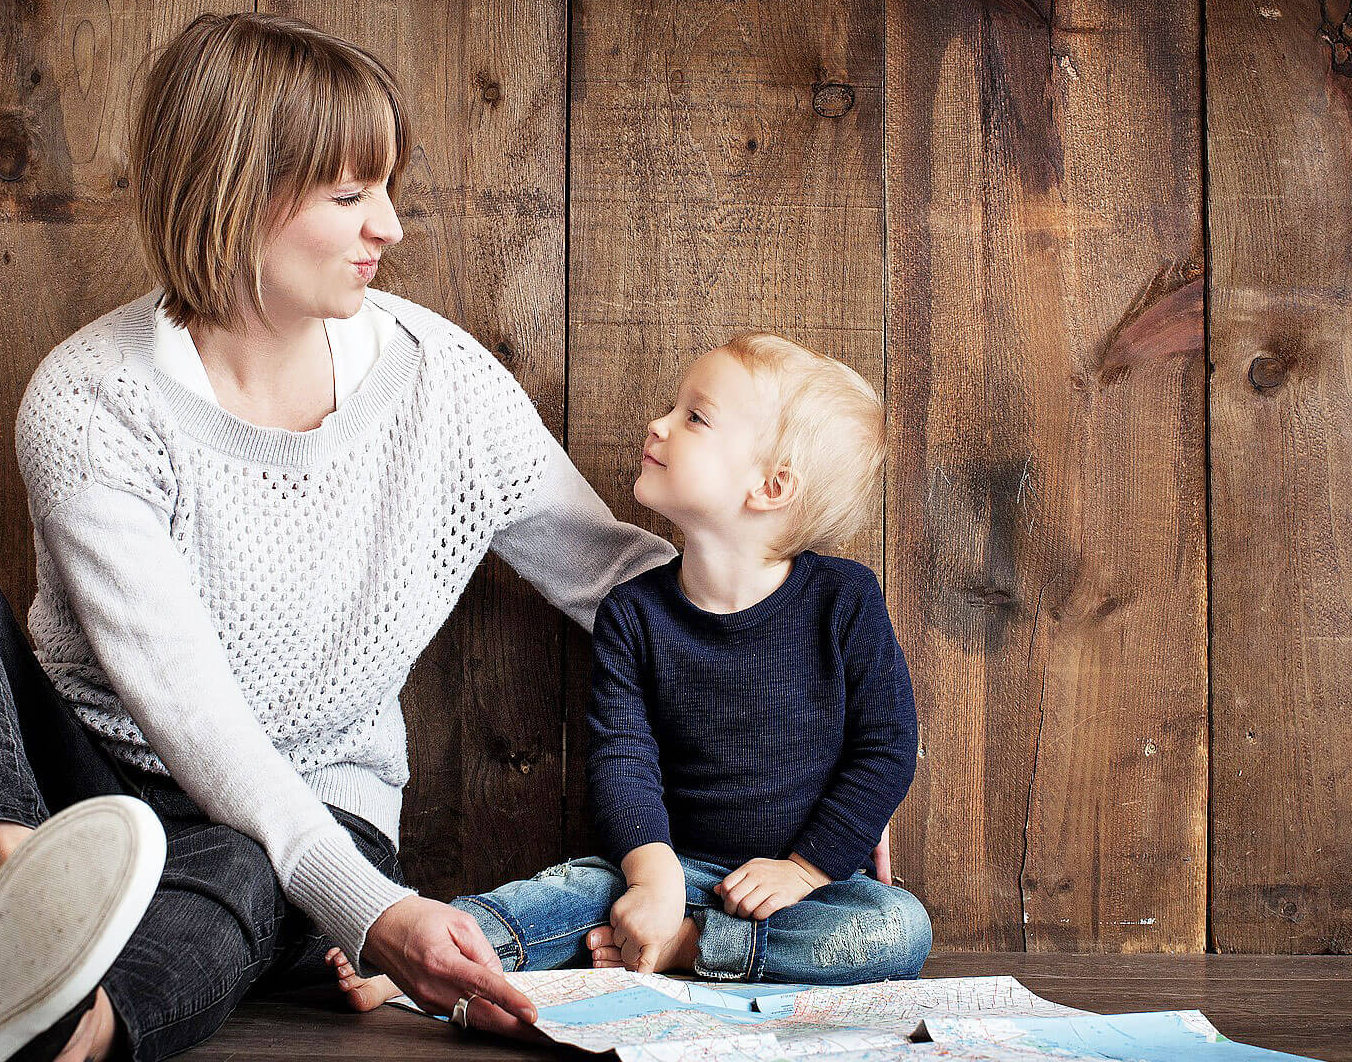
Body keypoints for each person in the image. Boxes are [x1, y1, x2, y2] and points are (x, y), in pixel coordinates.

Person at [0, 10, 678, 1062]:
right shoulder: (91, 400)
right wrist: (375, 917)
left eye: (386, 187)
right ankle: (25, 891)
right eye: (349, 194)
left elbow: (614, 577)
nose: (392, 226)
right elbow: (190, 709)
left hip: (309, 813)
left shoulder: (443, 386)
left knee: (239, 863)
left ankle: (68, 1020)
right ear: (239, 189)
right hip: (81, 788)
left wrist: (813, 699)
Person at [327, 332, 930, 1012]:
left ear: (771, 487)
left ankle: (693, 949)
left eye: (695, 417)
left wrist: (807, 867)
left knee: (897, 929)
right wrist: (652, 876)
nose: (660, 423)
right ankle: (425, 958)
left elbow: (884, 749)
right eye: (675, 407)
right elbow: (623, 758)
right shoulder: (635, 614)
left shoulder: (844, 601)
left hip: (800, 893)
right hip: (672, 866)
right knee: (565, 894)